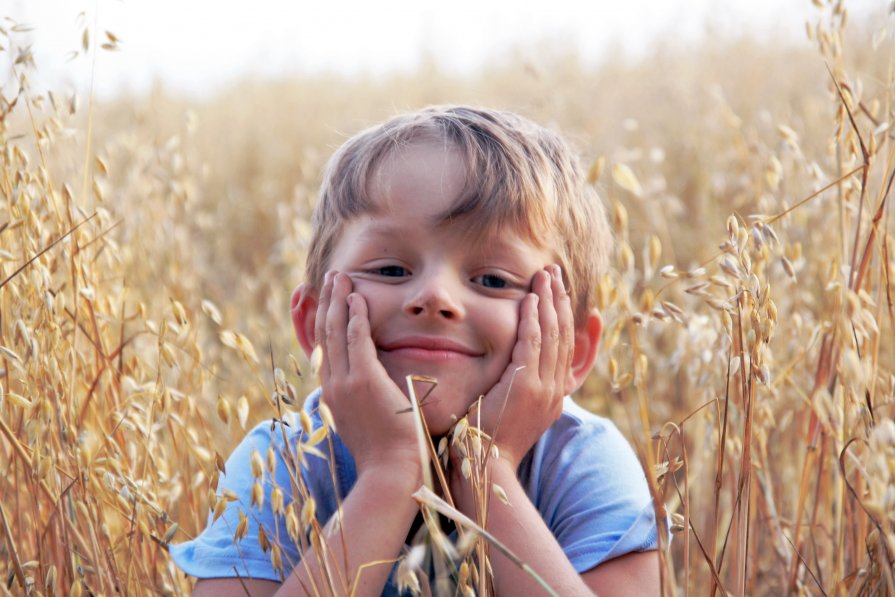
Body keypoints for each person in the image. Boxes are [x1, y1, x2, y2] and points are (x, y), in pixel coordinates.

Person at [169, 106, 660, 596]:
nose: (435, 298)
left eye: (492, 279)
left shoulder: (582, 462)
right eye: (389, 270)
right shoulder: (282, 464)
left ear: (572, 349)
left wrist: (484, 467)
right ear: (315, 322)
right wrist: (391, 469)